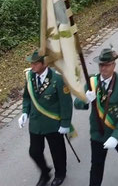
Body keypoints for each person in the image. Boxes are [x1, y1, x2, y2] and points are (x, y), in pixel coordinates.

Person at [74, 48, 118, 186]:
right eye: (101, 65)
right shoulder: (92, 82)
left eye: (107, 65)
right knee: (96, 166)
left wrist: (116, 135)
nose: (104, 68)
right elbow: (77, 104)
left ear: (114, 65)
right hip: (98, 132)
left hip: (117, 130)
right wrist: (85, 98)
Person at [18, 50, 73, 186]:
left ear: (44, 63)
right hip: (36, 123)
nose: (32, 67)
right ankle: (45, 172)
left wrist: (65, 123)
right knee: (34, 151)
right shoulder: (30, 76)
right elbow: (27, 97)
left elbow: (66, 103)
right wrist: (25, 112)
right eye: (31, 64)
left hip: (53, 123)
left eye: (35, 64)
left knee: (57, 152)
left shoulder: (57, 79)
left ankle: (60, 174)